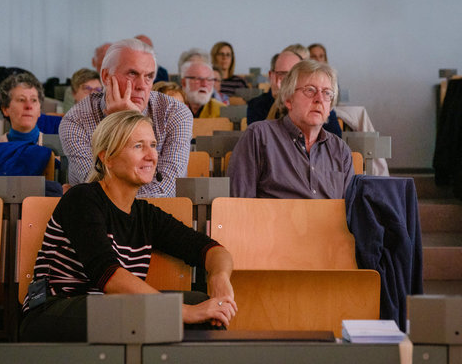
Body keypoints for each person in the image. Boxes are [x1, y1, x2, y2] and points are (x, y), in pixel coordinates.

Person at [19, 111, 237, 342]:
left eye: (153, 145)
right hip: (51, 310)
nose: (151, 155)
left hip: (113, 308)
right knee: (145, 313)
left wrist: (219, 277)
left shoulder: (146, 214)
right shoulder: (82, 198)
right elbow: (109, 276)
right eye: (138, 146)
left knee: (201, 305)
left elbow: (211, 249)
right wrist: (183, 312)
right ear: (107, 158)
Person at [59, 38, 193, 197]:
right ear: (106, 76)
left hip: (157, 218)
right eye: (132, 74)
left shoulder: (175, 113)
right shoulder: (76, 120)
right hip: (100, 220)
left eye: (149, 76)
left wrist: (133, 121)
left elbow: (167, 191)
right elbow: (99, 193)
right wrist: (120, 123)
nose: (142, 85)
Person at [229, 60, 354, 199]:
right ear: (288, 100)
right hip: (273, 220)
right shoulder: (258, 137)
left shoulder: (340, 150)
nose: (319, 99)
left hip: (327, 221)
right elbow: (238, 207)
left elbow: (349, 214)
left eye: (327, 93)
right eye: (310, 90)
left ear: (330, 107)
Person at [248, 50, 342, 137]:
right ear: (272, 76)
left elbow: (334, 144)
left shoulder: (322, 107)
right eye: (283, 74)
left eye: (295, 75)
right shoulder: (258, 118)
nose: (319, 99)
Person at [0, 73, 45, 150]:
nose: (29, 106)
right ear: (5, 109)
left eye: (34, 100)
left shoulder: (60, 147)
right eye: (21, 100)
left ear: (39, 110)